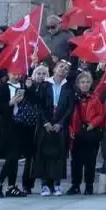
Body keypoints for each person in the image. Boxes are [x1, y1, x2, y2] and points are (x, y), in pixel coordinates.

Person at [0, 66, 41, 197]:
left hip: (24, 125)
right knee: (12, 156)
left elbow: (35, 101)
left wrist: (30, 88)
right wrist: (10, 103)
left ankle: (11, 186)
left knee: (14, 157)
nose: (16, 75)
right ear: (8, 74)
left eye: (18, 73)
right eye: (13, 73)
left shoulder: (24, 86)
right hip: (9, 126)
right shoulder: (3, 88)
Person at [67, 69, 106, 195]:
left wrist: (93, 124)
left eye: (87, 82)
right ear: (78, 84)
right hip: (76, 131)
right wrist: (70, 129)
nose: (85, 84)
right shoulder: (73, 98)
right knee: (76, 161)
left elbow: (101, 114)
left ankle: (89, 185)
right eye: (82, 82)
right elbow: (68, 114)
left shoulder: (95, 98)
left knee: (90, 160)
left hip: (91, 131)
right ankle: (75, 185)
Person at [33, 59, 74, 196]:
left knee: (59, 154)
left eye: (66, 69)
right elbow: (38, 105)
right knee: (43, 153)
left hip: (59, 125)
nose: (63, 70)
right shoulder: (45, 85)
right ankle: (45, 184)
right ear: (55, 68)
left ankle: (57, 183)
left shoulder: (68, 87)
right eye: (61, 67)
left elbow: (69, 108)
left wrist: (61, 123)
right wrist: (45, 122)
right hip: (45, 124)